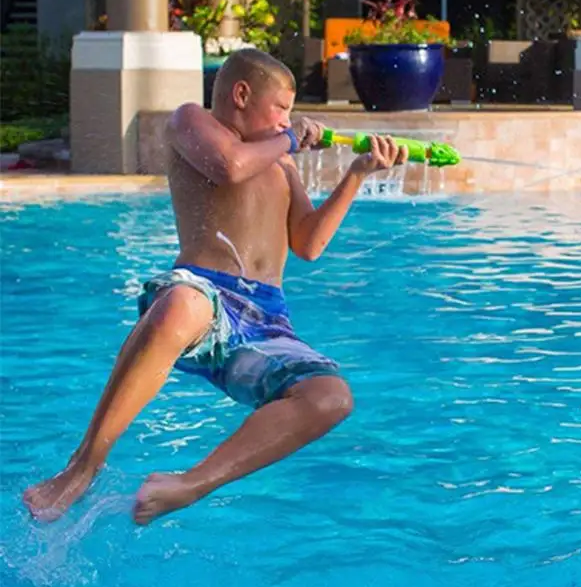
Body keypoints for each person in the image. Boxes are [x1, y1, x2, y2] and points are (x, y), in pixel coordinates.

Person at [24, 47, 406, 526]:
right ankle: (83, 466)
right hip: (203, 292)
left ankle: (190, 483)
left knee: (330, 397)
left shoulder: (282, 162)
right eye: (281, 108)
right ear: (241, 95)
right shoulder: (191, 122)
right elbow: (230, 166)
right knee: (183, 304)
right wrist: (288, 139)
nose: (287, 120)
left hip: (265, 317)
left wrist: (357, 174)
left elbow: (308, 244)